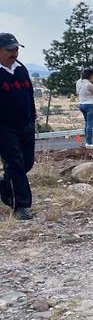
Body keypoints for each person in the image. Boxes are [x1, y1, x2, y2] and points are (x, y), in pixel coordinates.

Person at [0, 33, 36, 220]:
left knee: (27, 162)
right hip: (4, 127)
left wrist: (33, 118)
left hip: (26, 124)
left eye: (16, 49)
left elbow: (29, 94)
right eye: (9, 50)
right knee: (15, 163)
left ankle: (5, 183)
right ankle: (20, 206)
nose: (14, 53)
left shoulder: (21, 69)